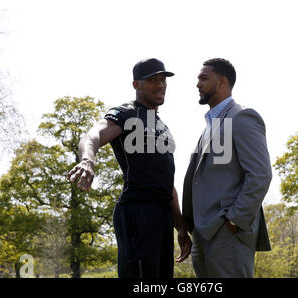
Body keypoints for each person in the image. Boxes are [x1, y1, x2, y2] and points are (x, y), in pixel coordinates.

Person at [68, 58, 191, 278]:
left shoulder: (162, 127)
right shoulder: (126, 113)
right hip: (137, 211)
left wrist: (180, 226)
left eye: (163, 80)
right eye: (152, 80)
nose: (160, 85)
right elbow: (93, 134)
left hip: (163, 216)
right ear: (136, 85)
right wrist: (87, 159)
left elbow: (166, 181)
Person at [182, 58, 272, 278]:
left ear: (222, 82)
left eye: (204, 78)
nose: (197, 84)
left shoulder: (242, 117)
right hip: (203, 236)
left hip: (228, 236)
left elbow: (260, 175)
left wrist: (234, 220)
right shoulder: (209, 126)